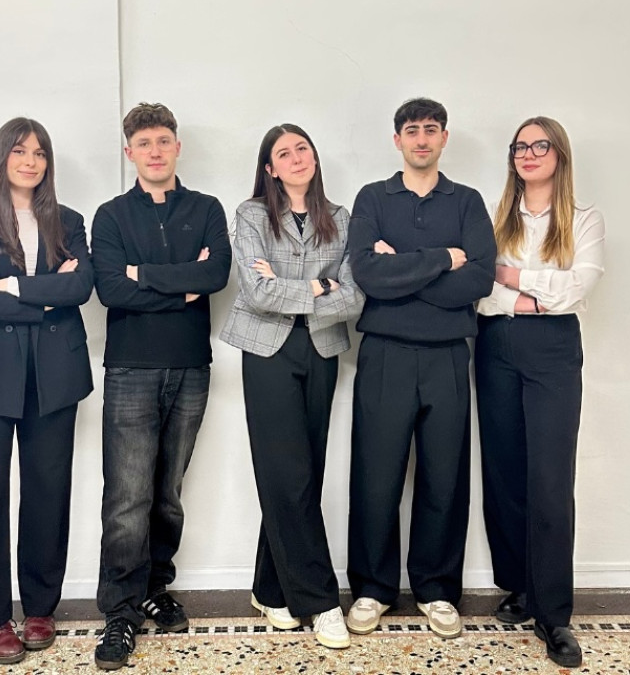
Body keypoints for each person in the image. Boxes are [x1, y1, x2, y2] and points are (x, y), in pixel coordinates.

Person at [0, 117, 94, 666]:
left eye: (40, 152)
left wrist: (14, 286)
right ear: (1, 157)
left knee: (48, 492)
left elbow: (82, 285)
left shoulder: (69, 222)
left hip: (53, 375)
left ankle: (40, 607)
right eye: (19, 151)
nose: (30, 161)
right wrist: (46, 298)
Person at [345, 98, 496, 639]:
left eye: (431, 130)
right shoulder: (372, 198)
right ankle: (372, 588)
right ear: (397, 141)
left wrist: (402, 269)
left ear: (444, 138)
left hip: (449, 355)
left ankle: (436, 589)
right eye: (412, 131)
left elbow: (478, 280)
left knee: (444, 474)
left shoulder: (468, 202)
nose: (422, 139)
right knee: (376, 472)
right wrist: (440, 259)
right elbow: (367, 274)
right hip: (384, 353)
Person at [91, 102, 232, 670]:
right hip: (130, 369)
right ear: (130, 152)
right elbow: (109, 291)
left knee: (168, 494)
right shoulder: (109, 215)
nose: (155, 150)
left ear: (177, 148)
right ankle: (120, 613)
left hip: (190, 367)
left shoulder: (205, 208)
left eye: (164, 141)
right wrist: (180, 285)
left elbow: (215, 274)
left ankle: (155, 584)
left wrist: (141, 275)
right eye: (144, 142)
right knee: (128, 498)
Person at [220, 124, 365, 649]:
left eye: (302, 148)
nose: (296, 157)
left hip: (321, 350)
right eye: (284, 153)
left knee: (305, 472)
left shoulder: (342, 219)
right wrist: (317, 285)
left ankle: (270, 585)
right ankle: (321, 600)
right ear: (270, 169)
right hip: (267, 351)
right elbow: (256, 294)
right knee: (287, 473)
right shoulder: (252, 215)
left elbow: (353, 297)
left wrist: (300, 288)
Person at [475, 117, 605, 669]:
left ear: (559, 155)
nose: (528, 154)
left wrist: (514, 280)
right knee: (505, 472)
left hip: (553, 350)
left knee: (550, 479)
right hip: (496, 343)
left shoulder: (583, 219)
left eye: (539, 145)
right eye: (520, 146)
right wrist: (525, 293)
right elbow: (479, 290)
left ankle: (555, 616)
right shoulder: (493, 218)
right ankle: (520, 589)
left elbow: (582, 283)